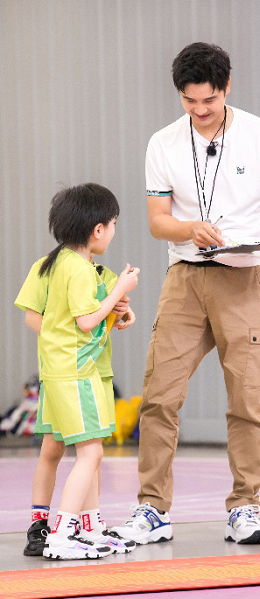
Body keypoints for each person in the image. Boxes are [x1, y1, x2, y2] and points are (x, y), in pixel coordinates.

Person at [112, 42, 260, 545]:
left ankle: (244, 507)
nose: (200, 111)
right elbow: (157, 222)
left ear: (227, 89)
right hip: (186, 280)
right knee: (159, 396)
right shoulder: (163, 143)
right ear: (180, 95)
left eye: (209, 102)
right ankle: (152, 509)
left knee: (246, 401)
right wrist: (188, 228)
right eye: (189, 101)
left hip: (246, 279)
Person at [15, 183, 140, 559]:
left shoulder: (87, 268)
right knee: (87, 453)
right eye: (113, 223)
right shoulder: (62, 268)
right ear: (98, 228)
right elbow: (81, 321)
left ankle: (89, 525)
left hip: (80, 371)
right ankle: (59, 530)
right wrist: (118, 290)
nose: (114, 230)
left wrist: (119, 307)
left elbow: (98, 315)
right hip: (74, 370)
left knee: (90, 449)